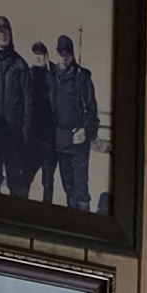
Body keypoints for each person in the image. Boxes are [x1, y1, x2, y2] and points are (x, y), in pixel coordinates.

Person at [0, 15, 41, 197]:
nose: (2, 35)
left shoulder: (20, 64)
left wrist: (25, 130)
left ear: (10, 34)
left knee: (15, 179)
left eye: (5, 31)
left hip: (14, 134)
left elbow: (28, 100)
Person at [45, 33, 100, 211]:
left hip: (78, 143)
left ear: (72, 54)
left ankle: (84, 220)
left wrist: (86, 130)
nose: (64, 58)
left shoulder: (82, 78)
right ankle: (72, 219)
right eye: (61, 54)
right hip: (61, 141)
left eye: (67, 54)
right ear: (56, 54)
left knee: (80, 189)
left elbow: (92, 111)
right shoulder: (52, 76)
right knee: (68, 187)